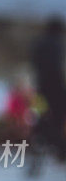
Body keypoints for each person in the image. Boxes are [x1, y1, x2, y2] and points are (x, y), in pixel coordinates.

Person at [29, 17, 66, 163]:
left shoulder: (38, 43)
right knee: (58, 117)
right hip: (55, 86)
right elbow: (55, 68)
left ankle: (43, 137)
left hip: (41, 87)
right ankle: (58, 146)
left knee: (44, 115)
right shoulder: (55, 44)